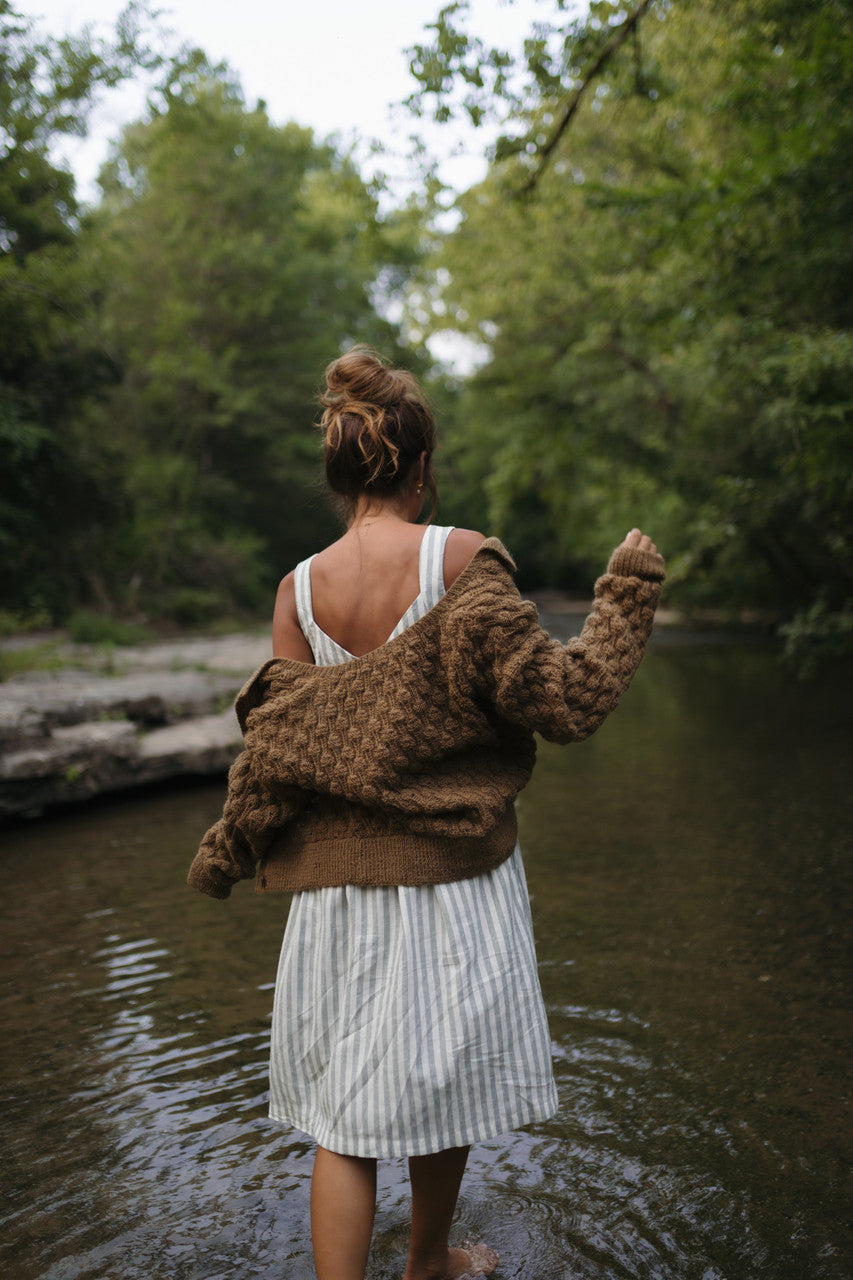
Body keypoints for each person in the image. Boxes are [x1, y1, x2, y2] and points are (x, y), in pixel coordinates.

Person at [188, 345, 665, 1280]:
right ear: (420, 464)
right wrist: (626, 595)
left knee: (342, 1119)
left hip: (331, 899)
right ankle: (428, 1263)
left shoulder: (297, 592)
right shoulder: (462, 560)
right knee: (438, 1089)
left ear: (338, 471)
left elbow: (275, 762)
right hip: (452, 881)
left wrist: (225, 851)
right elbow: (565, 702)